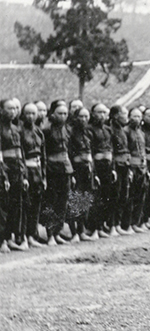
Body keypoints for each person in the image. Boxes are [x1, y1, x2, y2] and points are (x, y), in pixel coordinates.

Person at [44, 100, 73, 246]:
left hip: (65, 169)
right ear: (53, 114)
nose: (63, 116)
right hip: (51, 169)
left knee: (63, 202)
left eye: (65, 113)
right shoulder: (47, 129)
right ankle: (49, 235)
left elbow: (70, 151)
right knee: (51, 201)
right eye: (60, 113)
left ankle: (57, 232)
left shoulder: (67, 129)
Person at [0, 97, 27, 250]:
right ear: (1, 110)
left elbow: (20, 154)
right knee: (3, 206)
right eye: (9, 109)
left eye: (15, 109)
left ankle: (10, 237)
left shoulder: (17, 129)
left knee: (15, 206)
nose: (13, 112)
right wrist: (3, 176)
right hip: (4, 172)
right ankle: (1, 240)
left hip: (17, 172)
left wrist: (23, 175)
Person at [68, 106, 95, 242]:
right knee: (75, 200)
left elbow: (92, 153)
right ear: (75, 118)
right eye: (81, 117)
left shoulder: (88, 133)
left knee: (85, 200)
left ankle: (82, 230)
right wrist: (71, 173)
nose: (84, 119)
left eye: (86, 116)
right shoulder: (71, 133)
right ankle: (74, 233)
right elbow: (69, 154)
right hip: (76, 169)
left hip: (87, 169)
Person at [19, 102, 46, 247]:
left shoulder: (38, 132)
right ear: (23, 115)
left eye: (33, 113)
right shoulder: (20, 131)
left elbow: (44, 156)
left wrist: (44, 176)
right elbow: (21, 155)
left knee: (36, 205)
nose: (30, 116)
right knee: (25, 205)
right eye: (28, 113)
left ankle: (31, 236)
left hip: (37, 171)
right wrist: (23, 176)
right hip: (26, 171)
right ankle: (22, 237)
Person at [88, 103, 113, 238]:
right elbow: (90, 151)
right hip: (96, 166)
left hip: (108, 166)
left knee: (106, 196)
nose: (102, 115)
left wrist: (113, 168)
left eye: (104, 112)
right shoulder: (89, 129)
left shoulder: (108, 130)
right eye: (99, 112)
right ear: (93, 114)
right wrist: (94, 173)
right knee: (95, 198)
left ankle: (102, 225)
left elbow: (111, 148)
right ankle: (94, 228)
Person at [109, 104, 132, 235]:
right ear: (116, 116)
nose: (126, 118)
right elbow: (111, 150)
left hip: (125, 165)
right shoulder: (110, 130)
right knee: (114, 195)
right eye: (124, 114)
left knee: (123, 195)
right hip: (116, 166)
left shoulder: (123, 130)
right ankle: (112, 225)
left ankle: (117, 224)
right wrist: (112, 168)